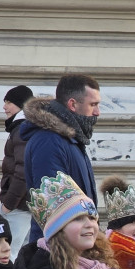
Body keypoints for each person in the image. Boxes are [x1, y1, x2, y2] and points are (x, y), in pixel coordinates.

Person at [22, 74, 102, 242]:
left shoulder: (71, 139)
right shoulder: (49, 141)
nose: (97, 112)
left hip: (76, 246)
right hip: (59, 252)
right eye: (93, 105)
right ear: (72, 104)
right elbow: (56, 207)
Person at [0, 85, 34, 249]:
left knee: (8, 252)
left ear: (21, 104)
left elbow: (23, 171)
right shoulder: (22, 127)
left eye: (9, 102)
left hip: (18, 205)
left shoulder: (21, 129)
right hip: (22, 204)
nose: (4, 107)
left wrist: (9, 204)